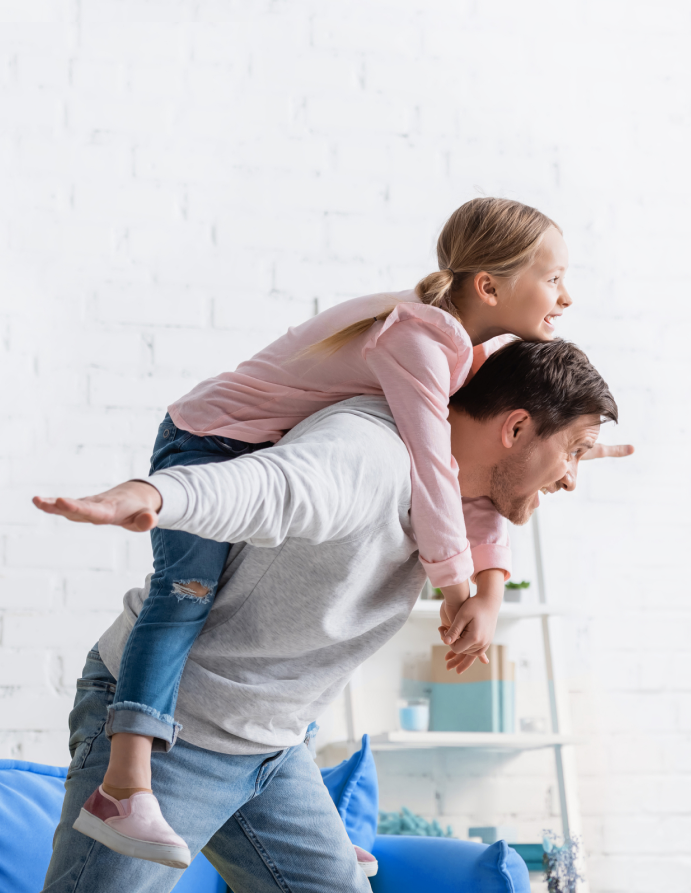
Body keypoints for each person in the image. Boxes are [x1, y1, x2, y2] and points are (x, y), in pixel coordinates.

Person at [34, 197, 575, 854]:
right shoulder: (419, 342)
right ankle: (125, 784)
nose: (565, 296)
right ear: (489, 286)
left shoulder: (463, 356)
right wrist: (457, 589)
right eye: (553, 278)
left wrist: (488, 590)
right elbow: (436, 470)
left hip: (266, 725)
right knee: (183, 598)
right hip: (211, 440)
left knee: (307, 620)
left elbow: (476, 480)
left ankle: (295, 813)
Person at [36, 338, 625, 891]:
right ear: (516, 426)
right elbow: (272, 487)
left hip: (275, 748)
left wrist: (567, 452)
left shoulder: (463, 492)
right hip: (179, 727)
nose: (571, 477)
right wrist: (158, 495)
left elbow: (501, 515)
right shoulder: (371, 454)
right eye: (573, 452)